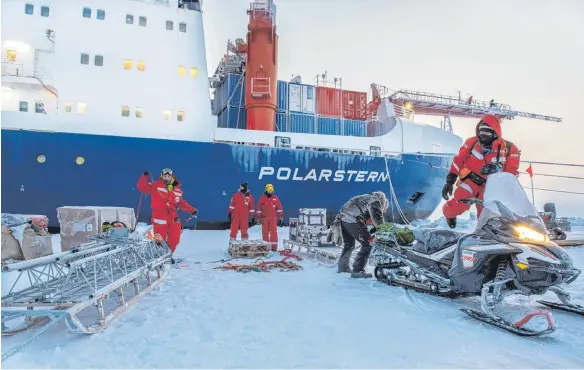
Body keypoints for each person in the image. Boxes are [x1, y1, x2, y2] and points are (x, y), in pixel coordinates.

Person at [441, 114, 521, 228]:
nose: (483, 136)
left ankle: (485, 236)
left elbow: (511, 174)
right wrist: (450, 181)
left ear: (495, 133)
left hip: (491, 186)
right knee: (456, 206)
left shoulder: (509, 149)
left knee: (486, 215)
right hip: (470, 181)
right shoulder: (471, 143)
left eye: (487, 133)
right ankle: (449, 215)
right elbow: (458, 161)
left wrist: (497, 171)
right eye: (481, 132)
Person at [137, 168, 197, 263]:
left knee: (175, 239)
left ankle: (168, 255)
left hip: (173, 216)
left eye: (169, 175)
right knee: (159, 239)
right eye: (165, 175)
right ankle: (160, 258)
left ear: (172, 176)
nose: (167, 177)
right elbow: (142, 187)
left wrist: (192, 210)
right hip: (159, 215)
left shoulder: (177, 190)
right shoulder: (155, 186)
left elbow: (181, 203)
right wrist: (144, 177)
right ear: (162, 176)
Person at [328, 191, 389, 278]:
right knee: (367, 245)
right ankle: (358, 270)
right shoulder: (375, 200)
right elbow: (377, 217)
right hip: (351, 220)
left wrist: (372, 230)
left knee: (349, 245)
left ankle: (343, 267)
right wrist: (383, 231)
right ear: (382, 203)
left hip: (343, 219)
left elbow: (364, 218)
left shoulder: (364, 198)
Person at [256, 183, 284, 251]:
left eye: (271, 190)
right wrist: (258, 218)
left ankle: (274, 248)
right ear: (266, 190)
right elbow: (259, 209)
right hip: (264, 218)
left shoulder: (275, 198)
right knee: (265, 232)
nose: (270, 192)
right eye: (269, 190)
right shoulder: (262, 199)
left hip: (273, 218)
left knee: (273, 232)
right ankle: (266, 247)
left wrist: (281, 217)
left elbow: (279, 208)